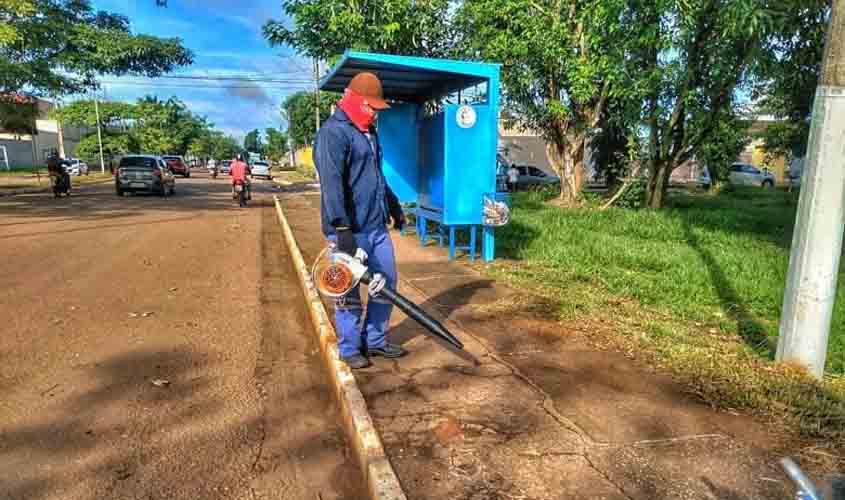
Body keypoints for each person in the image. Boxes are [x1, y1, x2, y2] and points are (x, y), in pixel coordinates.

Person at [314, 72, 407, 370]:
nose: (374, 114)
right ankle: (350, 347)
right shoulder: (332, 133)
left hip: (376, 227)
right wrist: (341, 228)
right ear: (353, 100)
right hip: (349, 230)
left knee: (386, 283)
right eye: (371, 107)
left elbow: (376, 177)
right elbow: (332, 185)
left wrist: (393, 206)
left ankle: (375, 340)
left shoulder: (369, 133)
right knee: (347, 290)